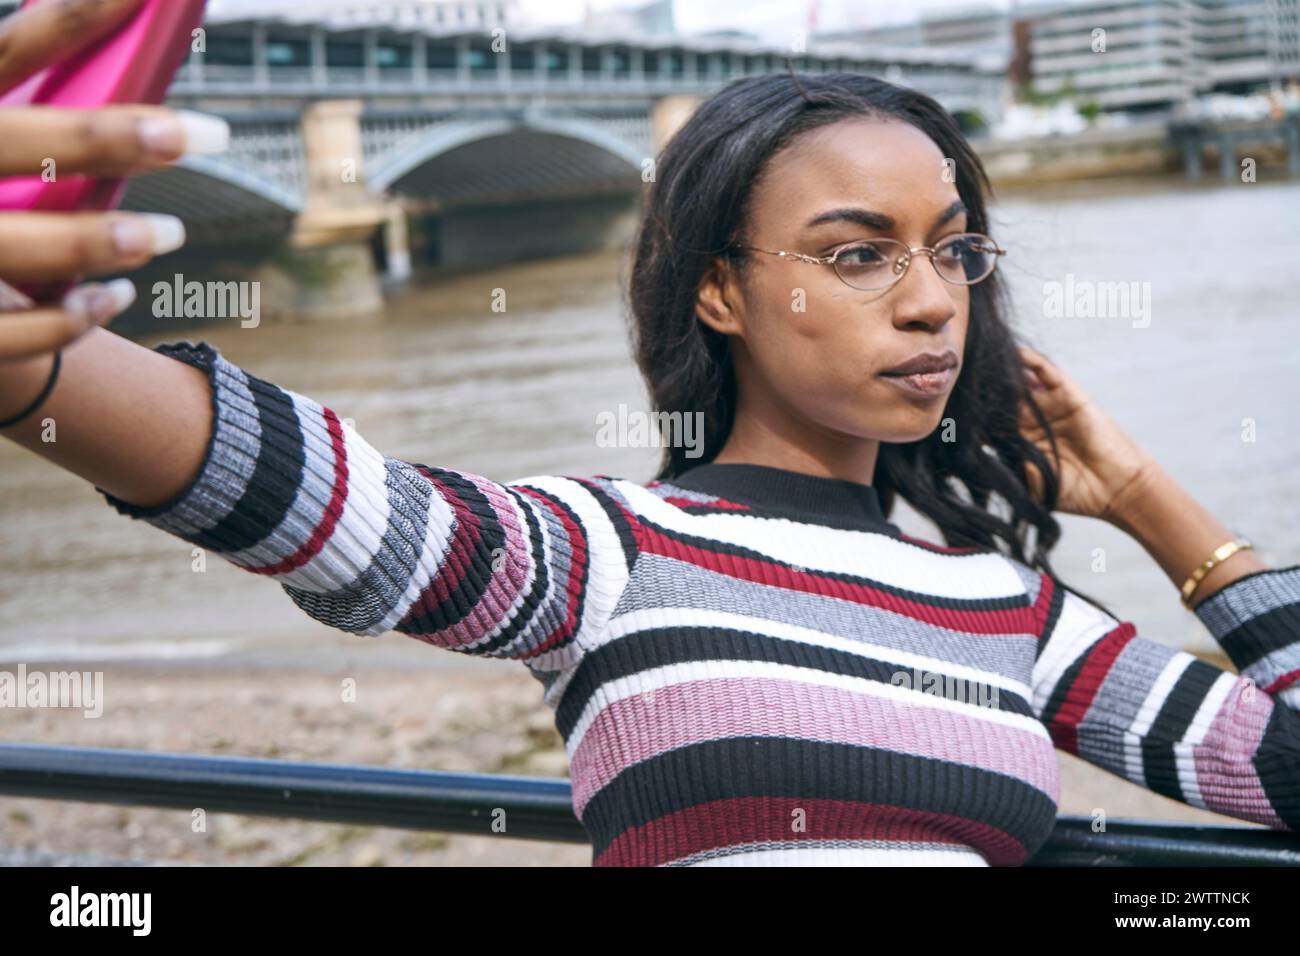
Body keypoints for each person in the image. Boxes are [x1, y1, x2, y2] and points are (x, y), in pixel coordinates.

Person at [1, 0, 1297, 866]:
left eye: (953, 249)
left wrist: (1136, 488)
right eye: (858, 254)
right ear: (720, 291)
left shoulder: (1008, 608)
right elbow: (302, 488)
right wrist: (24, 353)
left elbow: (1283, 771)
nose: (929, 298)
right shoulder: (605, 556)